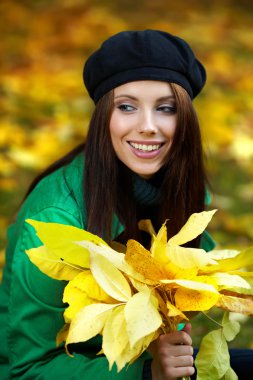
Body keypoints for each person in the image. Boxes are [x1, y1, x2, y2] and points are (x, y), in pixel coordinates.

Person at [0, 29, 251, 380]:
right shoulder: (54, 218)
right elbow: (26, 369)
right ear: (104, 117)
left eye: (166, 108)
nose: (148, 126)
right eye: (127, 106)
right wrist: (147, 375)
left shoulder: (184, 192)